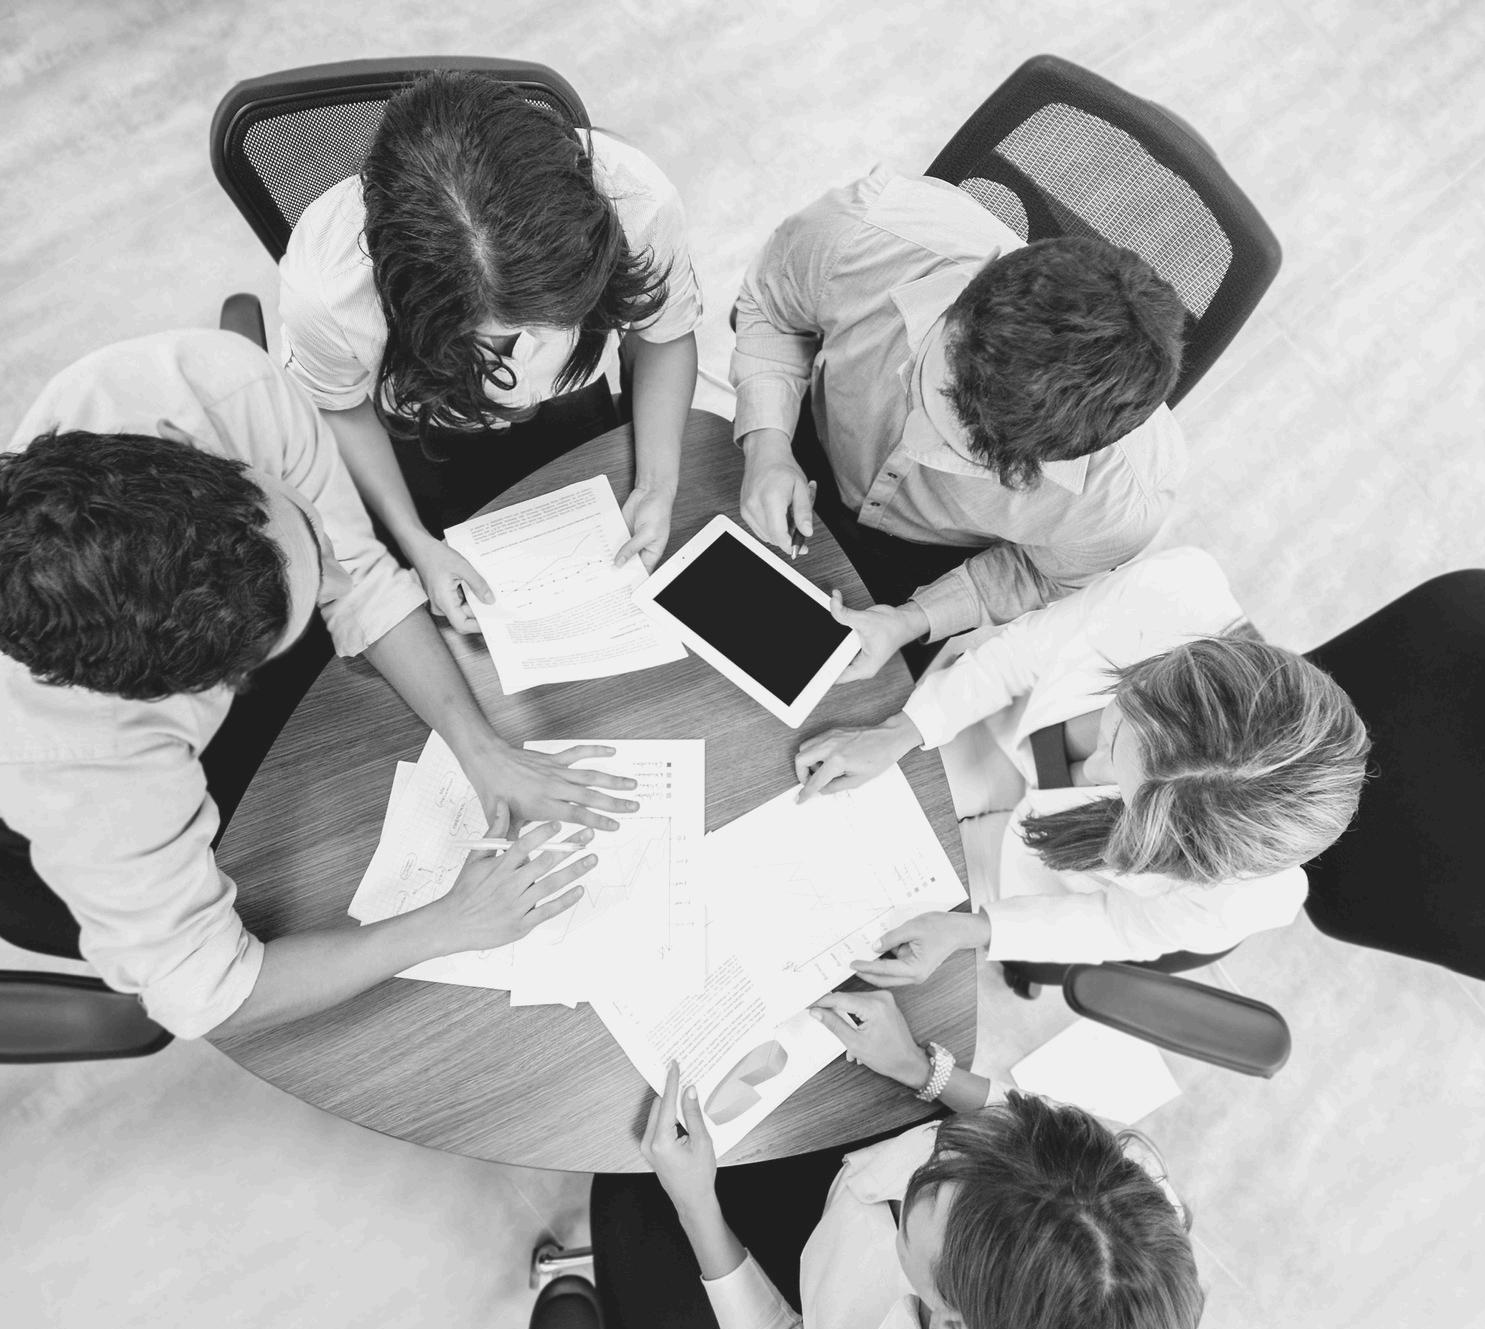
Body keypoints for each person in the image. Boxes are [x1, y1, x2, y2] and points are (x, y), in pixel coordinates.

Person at [0, 329, 634, 1040]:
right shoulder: (92, 770)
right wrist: (445, 924)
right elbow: (210, 997)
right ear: (217, 682)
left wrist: (480, 749)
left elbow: (359, 577)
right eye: (306, 600)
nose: (336, 571)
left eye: (304, 525)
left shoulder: (212, 387)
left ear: (199, 455)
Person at [631, 981, 1203, 1329]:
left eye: (931, 1186)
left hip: (791, 1309)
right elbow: (1026, 1122)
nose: (941, 1147)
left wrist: (695, 1204)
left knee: (629, 1192)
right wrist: (921, 1069)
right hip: (841, 1196)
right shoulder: (1128, 1203)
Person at [787, 548, 1369, 982]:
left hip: (1031, 868)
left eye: (1126, 793)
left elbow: (1122, 926)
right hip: (985, 728)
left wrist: (975, 930)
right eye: (1119, 728)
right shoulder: (1174, 591)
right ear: (1161, 667)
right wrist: (903, 729)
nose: (1094, 771)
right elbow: (1020, 654)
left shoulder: (1244, 894)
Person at [277, 68, 703, 632]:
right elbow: (340, 406)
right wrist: (415, 541)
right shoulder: (328, 291)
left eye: (554, 318)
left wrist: (656, 485)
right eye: (495, 332)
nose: (527, 352)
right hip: (418, 434)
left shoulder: (640, 202)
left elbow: (663, 335)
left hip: (577, 400)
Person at [730, 165, 1187, 679]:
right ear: (957, 306)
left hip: (922, 565)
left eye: (966, 456)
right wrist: (767, 443)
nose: (916, 442)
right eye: (929, 393)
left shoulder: (1122, 502)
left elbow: (1037, 573)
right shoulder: (859, 233)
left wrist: (908, 621)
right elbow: (771, 308)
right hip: (803, 437)